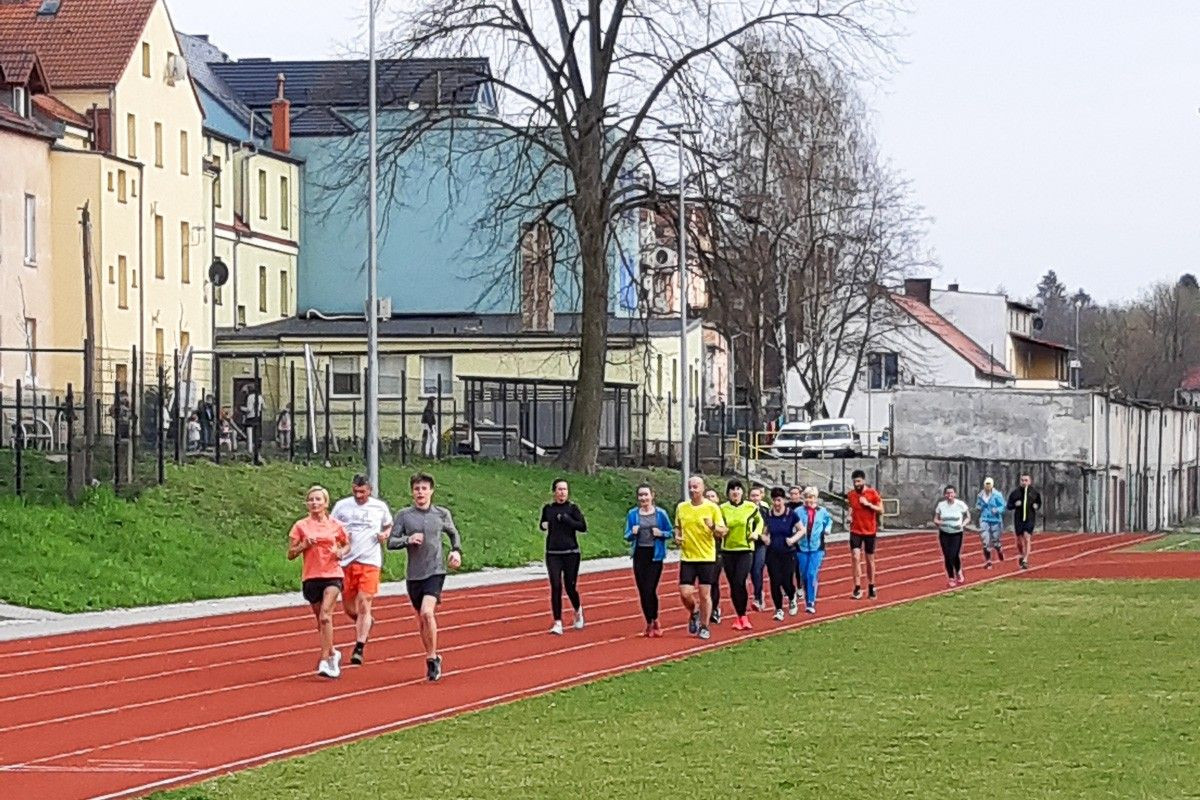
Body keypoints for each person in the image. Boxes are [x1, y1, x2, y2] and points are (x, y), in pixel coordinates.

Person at [387, 472, 463, 681]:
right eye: (417, 489)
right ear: (412, 492)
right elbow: (391, 542)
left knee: (427, 613)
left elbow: (453, 533)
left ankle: (431, 658)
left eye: (424, 488)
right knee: (421, 620)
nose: (420, 492)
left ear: (431, 491)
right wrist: (407, 539)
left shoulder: (441, 514)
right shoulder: (404, 515)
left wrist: (456, 550)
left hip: (435, 571)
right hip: (414, 575)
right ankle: (433, 655)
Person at [286, 485, 349, 678]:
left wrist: (341, 552)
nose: (314, 503)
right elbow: (290, 554)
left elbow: (346, 544)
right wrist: (303, 545)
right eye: (311, 499)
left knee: (325, 616)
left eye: (318, 499)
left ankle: (325, 660)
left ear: (326, 503)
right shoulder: (300, 526)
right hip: (311, 576)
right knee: (321, 621)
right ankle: (332, 652)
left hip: (332, 574)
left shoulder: (335, 525)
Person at [331, 474, 393, 665]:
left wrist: (385, 534)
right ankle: (364, 622)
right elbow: (331, 527)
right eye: (355, 491)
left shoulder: (379, 507)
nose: (359, 495)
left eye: (362, 492)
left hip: (370, 561)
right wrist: (336, 546)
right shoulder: (342, 506)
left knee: (364, 602)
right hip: (346, 562)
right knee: (349, 608)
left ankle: (359, 647)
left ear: (370, 490)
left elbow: (389, 524)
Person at [674, 475, 726, 640]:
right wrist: (677, 537)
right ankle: (694, 611)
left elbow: (723, 531)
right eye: (690, 487)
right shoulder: (682, 507)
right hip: (688, 556)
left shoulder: (712, 508)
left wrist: (712, 527)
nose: (692, 490)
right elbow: (678, 527)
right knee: (685, 593)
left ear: (703, 489)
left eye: (696, 487)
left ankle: (704, 626)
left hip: (706, 557)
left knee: (705, 594)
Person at [540, 478, 588, 635]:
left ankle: (577, 610)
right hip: (553, 552)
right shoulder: (548, 508)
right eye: (559, 489)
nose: (562, 492)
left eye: (565, 490)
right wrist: (543, 525)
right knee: (555, 585)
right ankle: (557, 622)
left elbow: (582, 527)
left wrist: (568, 520)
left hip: (571, 552)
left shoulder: (572, 509)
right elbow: (543, 523)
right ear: (554, 491)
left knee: (570, 586)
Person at [623, 484, 673, 637]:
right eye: (640, 495)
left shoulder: (660, 514)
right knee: (642, 590)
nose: (643, 498)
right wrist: (633, 533)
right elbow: (626, 535)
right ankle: (649, 622)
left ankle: (655, 619)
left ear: (652, 495)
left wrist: (661, 533)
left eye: (646, 495)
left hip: (655, 554)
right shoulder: (633, 514)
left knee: (650, 589)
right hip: (640, 554)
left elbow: (670, 531)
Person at [718, 479, 762, 630]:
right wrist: (719, 530)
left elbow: (760, 521)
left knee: (739, 581)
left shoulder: (751, 507)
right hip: (728, 551)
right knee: (733, 585)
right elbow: (718, 525)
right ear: (728, 493)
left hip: (745, 549)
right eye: (732, 490)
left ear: (742, 492)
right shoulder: (722, 508)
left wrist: (756, 533)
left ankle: (744, 616)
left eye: (738, 489)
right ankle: (739, 616)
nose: (735, 492)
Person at [790, 487, 832, 614]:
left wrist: (827, 529)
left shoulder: (822, 512)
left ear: (816, 498)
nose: (809, 500)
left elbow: (828, 521)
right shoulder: (798, 511)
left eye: (811, 497)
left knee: (811, 573)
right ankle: (808, 598)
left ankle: (810, 602)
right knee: (804, 575)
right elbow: (792, 524)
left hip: (817, 547)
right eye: (807, 497)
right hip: (801, 547)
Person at [760, 487, 799, 621]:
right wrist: (765, 538)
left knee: (786, 581)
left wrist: (793, 539)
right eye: (774, 500)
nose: (777, 503)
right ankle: (778, 609)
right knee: (775, 581)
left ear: (783, 500)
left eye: (779, 500)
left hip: (788, 553)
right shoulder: (769, 515)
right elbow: (764, 532)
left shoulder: (791, 514)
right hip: (772, 553)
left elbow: (802, 530)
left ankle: (792, 596)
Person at [846, 469, 884, 599]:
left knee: (869, 560)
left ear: (863, 481)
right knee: (855, 557)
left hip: (869, 531)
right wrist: (849, 516)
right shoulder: (851, 495)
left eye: (858, 481)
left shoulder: (872, 493)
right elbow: (850, 508)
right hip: (855, 530)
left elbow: (881, 510)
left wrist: (868, 504)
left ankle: (871, 585)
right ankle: (857, 587)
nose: (856, 484)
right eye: (854, 481)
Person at [934, 485, 971, 587]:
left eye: (951, 493)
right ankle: (951, 577)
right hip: (944, 533)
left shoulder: (960, 504)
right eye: (947, 493)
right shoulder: (941, 505)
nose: (950, 495)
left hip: (956, 533)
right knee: (947, 555)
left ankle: (958, 571)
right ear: (945, 494)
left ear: (954, 494)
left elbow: (968, 517)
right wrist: (940, 523)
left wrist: (962, 525)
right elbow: (935, 519)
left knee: (953, 555)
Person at [1007, 474, 1042, 570]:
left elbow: (1039, 502)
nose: (1024, 482)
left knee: (1027, 537)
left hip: (1029, 518)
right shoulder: (1015, 493)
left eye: (1026, 480)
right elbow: (1009, 506)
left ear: (1030, 481)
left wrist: (1036, 506)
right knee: (1019, 540)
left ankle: (1025, 560)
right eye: (1022, 480)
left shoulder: (1034, 492)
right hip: (1018, 518)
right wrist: (1015, 504)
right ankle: (1022, 555)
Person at [703, 486, 724, 624]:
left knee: (713, 581)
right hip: (701, 552)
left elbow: (724, 532)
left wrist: (713, 527)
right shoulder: (700, 513)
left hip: (717, 552)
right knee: (704, 584)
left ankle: (715, 608)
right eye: (708, 496)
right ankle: (706, 609)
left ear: (717, 499)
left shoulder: (721, 514)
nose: (710, 499)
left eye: (713, 496)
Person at [975, 477, 1007, 569]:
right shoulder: (980, 495)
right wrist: (978, 507)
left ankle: (999, 549)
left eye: (989, 485)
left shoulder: (997, 495)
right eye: (986, 484)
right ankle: (988, 562)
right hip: (984, 519)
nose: (987, 486)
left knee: (995, 541)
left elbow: (1003, 506)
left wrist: (997, 510)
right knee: (985, 541)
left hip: (995, 520)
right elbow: (978, 504)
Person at [748, 485, 770, 611]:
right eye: (753, 496)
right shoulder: (745, 509)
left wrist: (764, 536)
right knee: (751, 571)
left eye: (757, 495)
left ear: (761, 496)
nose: (755, 498)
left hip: (760, 544)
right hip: (748, 543)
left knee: (757, 569)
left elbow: (767, 524)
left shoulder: (765, 509)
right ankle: (758, 592)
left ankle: (758, 597)